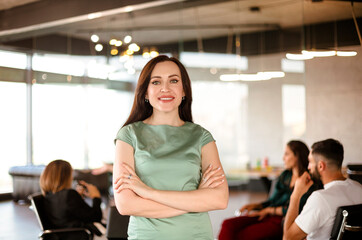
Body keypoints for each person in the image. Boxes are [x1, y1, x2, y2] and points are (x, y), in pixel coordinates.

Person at [112, 55, 229, 240]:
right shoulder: (128, 136)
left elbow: (220, 199)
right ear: (145, 92)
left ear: (184, 91)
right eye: (156, 82)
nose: (165, 88)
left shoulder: (202, 137)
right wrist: (196, 199)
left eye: (173, 80)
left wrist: (148, 192)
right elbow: (126, 205)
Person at [218, 140, 321, 240]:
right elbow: (272, 200)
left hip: (282, 221)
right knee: (227, 224)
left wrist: (268, 210)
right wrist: (257, 206)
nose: (283, 158)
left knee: (241, 235)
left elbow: (299, 208)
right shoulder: (285, 175)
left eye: (286, 154)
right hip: (267, 214)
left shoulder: (308, 181)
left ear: (297, 156)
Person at [283, 138, 362, 240]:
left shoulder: (320, 198)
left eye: (310, 162)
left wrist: (296, 194)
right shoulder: (359, 188)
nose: (308, 167)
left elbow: (288, 238)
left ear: (321, 166)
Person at [39, 159, 103, 238]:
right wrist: (96, 197)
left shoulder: (49, 196)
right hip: (76, 235)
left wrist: (78, 198)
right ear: (66, 176)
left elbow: (70, 213)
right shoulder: (69, 195)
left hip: (61, 236)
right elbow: (95, 217)